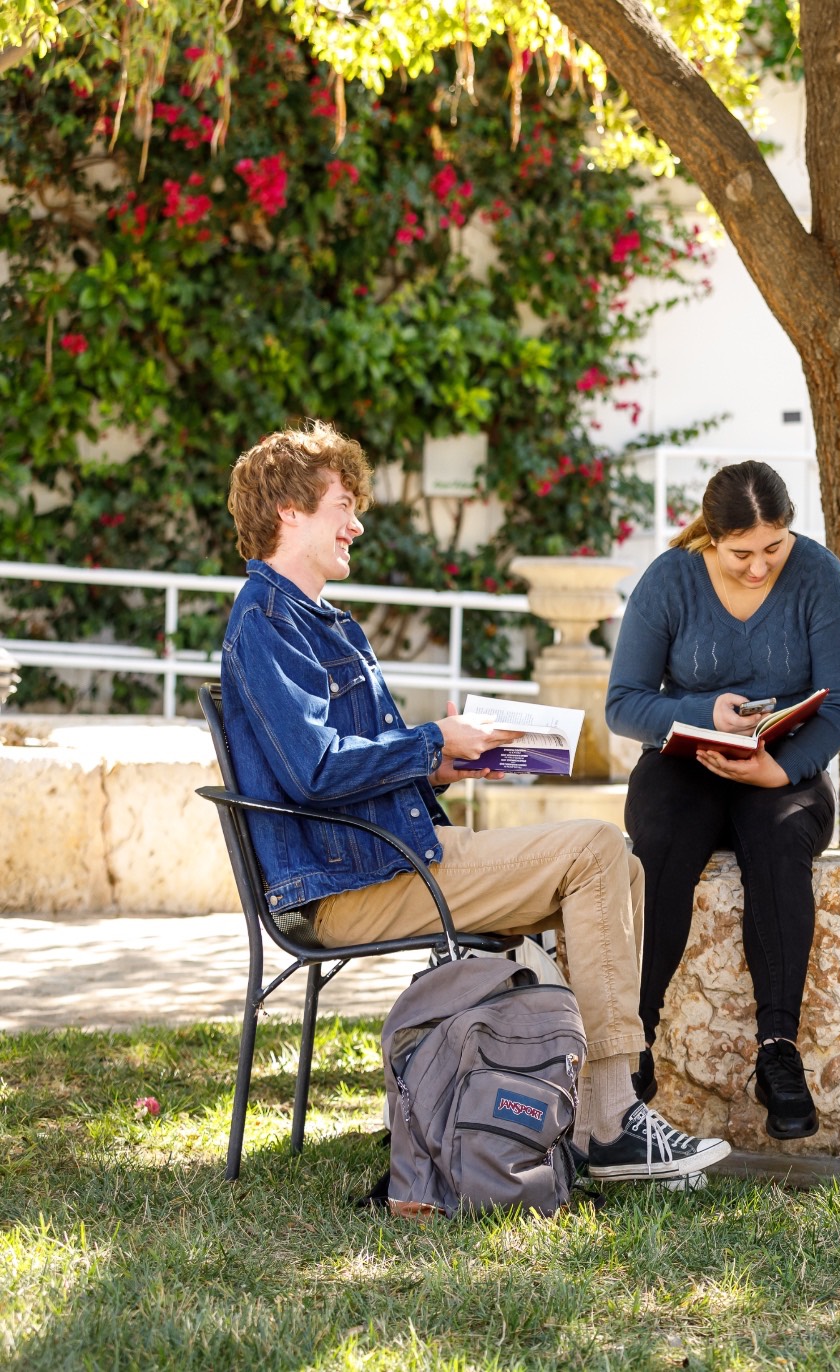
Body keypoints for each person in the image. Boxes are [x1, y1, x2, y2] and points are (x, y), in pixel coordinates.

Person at [219, 423, 728, 1186]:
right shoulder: (267, 623)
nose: (355, 523)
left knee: (617, 864)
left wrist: (451, 760)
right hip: (353, 886)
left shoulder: (319, 620)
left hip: (388, 858)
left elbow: (348, 772)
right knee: (594, 849)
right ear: (288, 513)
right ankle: (610, 1123)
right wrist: (430, 741)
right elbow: (315, 773)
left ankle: (599, 1108)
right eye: (340, 506)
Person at [606, 460, 840, 1140]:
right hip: (683, 763)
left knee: (779, 843)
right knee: (658, 840)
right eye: (741, 553)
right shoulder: (670, 578)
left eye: (773, 549)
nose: (759, 568)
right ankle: (637, 1036)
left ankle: (778, 1052)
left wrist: (783, 771)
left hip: (784, 767)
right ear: (710, 539)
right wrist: (701, 711)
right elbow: (623, 705)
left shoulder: (819, 577)